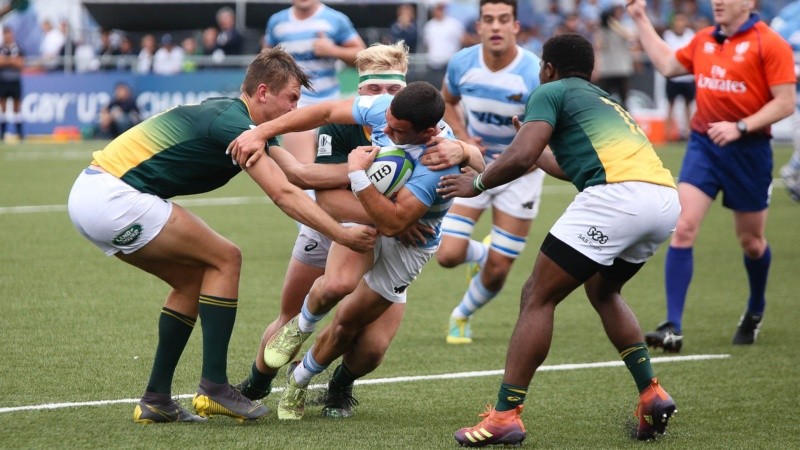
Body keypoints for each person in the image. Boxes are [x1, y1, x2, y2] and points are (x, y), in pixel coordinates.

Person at [66, 48, 376, 425]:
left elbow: (299, 174)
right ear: (262, 92)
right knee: (226, 257)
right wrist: (341, 234)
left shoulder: (242, 123)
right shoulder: (234, 124)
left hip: (93, 195)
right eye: (291, 98)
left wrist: (363, 171)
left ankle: (156, 399)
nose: (296, 110)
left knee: (192, 281)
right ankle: (213, 386)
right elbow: (283, 194)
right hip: (113, 196)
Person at [438, 33, 680, 446]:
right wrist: (532, 143)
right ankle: (651, 392)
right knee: (604, 291)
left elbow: (518, 157)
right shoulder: (604, 99)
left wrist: (476, 182)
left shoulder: (548, 90)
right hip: (663, 201)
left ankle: (505, 416)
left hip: (616, 199)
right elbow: (570, 167)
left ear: (548, 68)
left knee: (537, 295)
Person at [233, 43, 482, 418]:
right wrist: (263, 132)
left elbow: (477, 164)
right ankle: (255, 384)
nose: (382, 100)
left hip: (400, 234)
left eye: (392, 90)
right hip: (333, 222)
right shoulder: (357, 120)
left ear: (406, 91)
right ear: (360, 90)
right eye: (372, 89)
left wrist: (464, 151)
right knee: (314, 299)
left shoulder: (432, 149)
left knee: (371, 346)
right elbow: (323, 196)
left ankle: (336, 385)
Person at [627, 0, 797, 352]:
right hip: (704, 146)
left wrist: (741, 126)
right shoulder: (704, 38)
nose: (717, 1)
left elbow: (785, 102)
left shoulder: (770, 43)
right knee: (683, 227)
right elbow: (668, 64)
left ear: (750, 3)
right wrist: (641, 18)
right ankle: (672, 325)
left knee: (752, 242)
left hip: (749, 153)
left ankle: (755, 308)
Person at [437, 0, 546, 345]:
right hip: (474, 168)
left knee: (500, 270)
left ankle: (461, 315)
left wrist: (510, 163)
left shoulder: (535, 73)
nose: (496, 27)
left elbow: (545, 136)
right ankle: (482, 254)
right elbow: (448, 102)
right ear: (479, 27)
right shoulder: (462, 64)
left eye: (503, 20)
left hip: (522, 173)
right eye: (488, 20)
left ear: (516, 26)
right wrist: (465, 138)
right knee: (448, 255)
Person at [264, 0, 366, 164]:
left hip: (331, 103)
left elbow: (364, 57)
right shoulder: (277, 21)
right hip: (295, 104)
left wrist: (333, 50)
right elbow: (265, 61)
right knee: (302, 173)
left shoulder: (336, 19)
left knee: (333, 173)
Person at [771, 0, 800, 202]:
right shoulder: (788, 17)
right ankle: (792, 170)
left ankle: (793, 172)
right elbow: (771, 50)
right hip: (795, 94)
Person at [594, 4, 637, 108]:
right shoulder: (603, 29)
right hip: (607, 69)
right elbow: (598, 46)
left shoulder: (624, 26)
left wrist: (614, 24)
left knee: (624, 100)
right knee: (603, 100)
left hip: (622, 68)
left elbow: (630, 36)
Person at [662, 13, 696, 141]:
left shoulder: (691, 35)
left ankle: (688, 134)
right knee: (670, 106)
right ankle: (667, 135)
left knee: (688, 107)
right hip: (673, 77)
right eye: (677, 20)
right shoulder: (668, 35)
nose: (679, 23)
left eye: (682, 20)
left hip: (687, 77)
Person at [422, 1, 466, 85]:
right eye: (437, 8)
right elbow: (427, 44)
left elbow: (463, 41)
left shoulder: (454, 24)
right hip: (433, 65)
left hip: (448, 64)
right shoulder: (429, 26)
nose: (439, 11)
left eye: (441, 8)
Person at [0, 27, 24, 142]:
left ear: (12, 34)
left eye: (8, 33)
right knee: (2, 107)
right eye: (5, 34)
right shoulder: (1, 48)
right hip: (3, 81)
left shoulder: (17, 47)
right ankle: (2, 134)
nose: (7, 36)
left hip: (15, 81)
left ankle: (20, 134)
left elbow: (20, 63)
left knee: (17, 107)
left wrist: (6, 61)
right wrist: (11, 61)